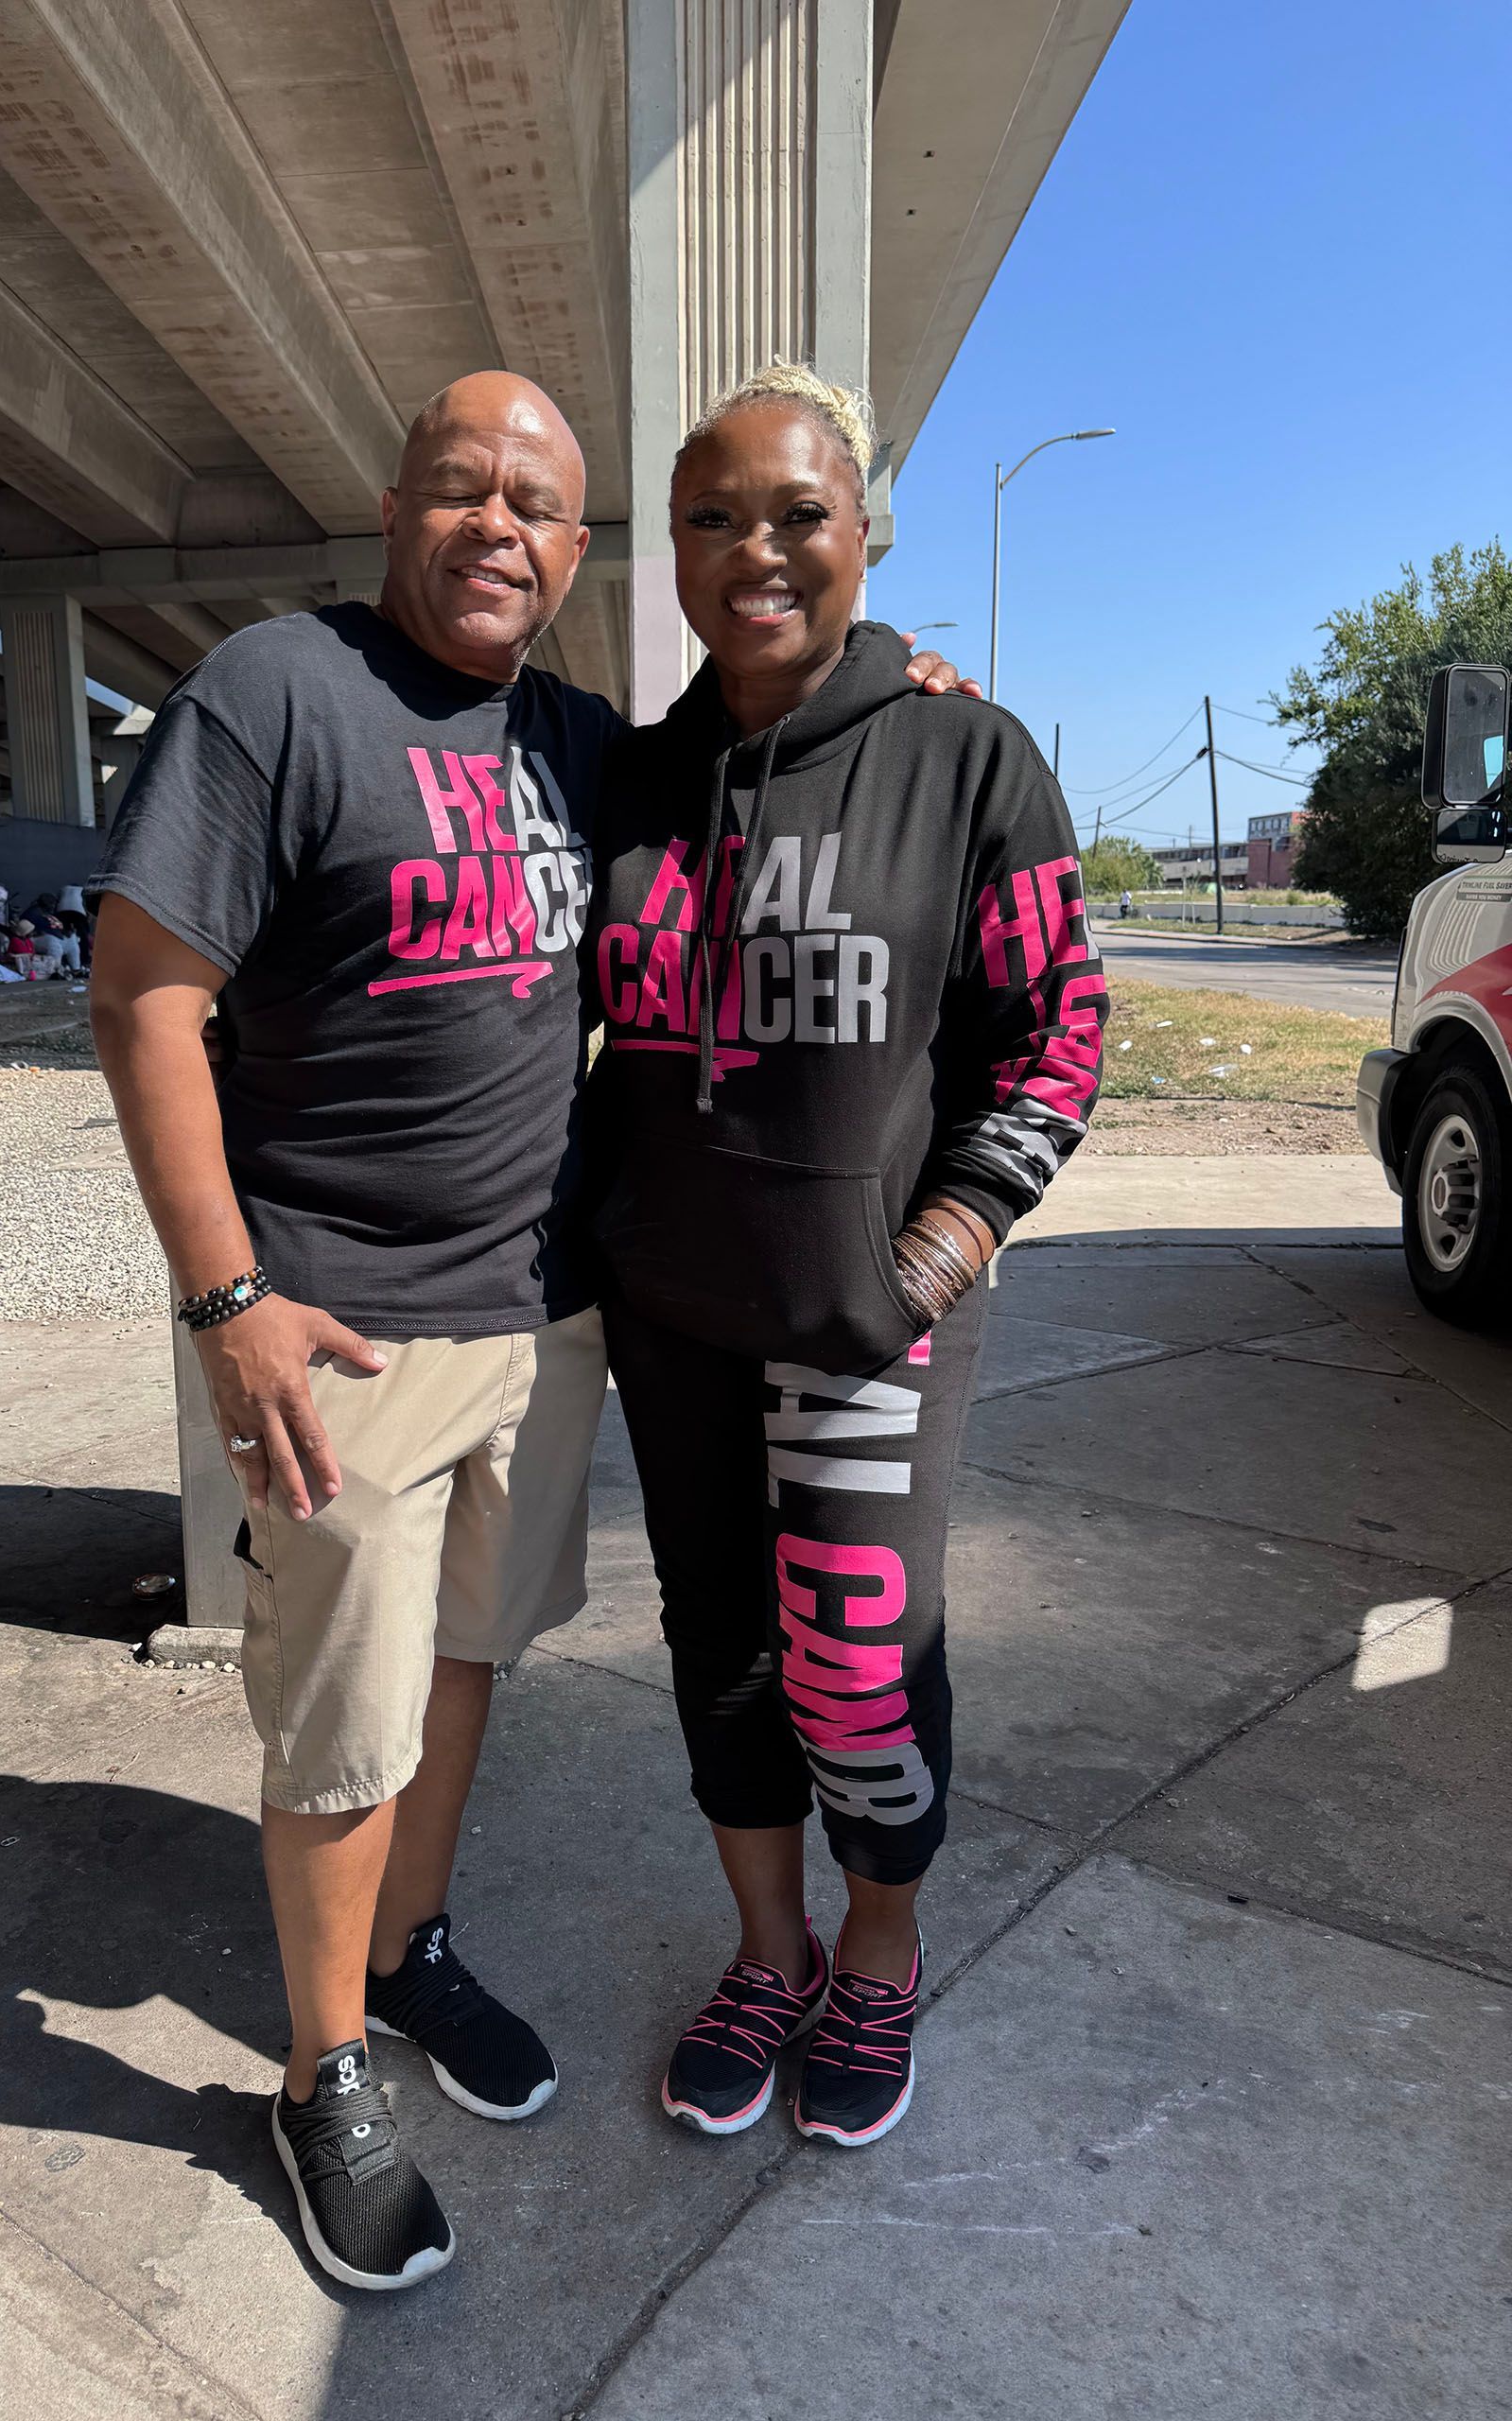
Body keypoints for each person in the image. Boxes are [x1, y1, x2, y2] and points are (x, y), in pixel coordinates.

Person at [89, 366, 978, 2289]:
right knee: (341, 1724)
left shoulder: (585, 741)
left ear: (580, 553)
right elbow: (143, 996)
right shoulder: (274, 693)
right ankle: (323, 2069)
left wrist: (895, 684)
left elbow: (784, 733)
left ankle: (409, 1951)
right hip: (344, 1327)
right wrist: (227, 1300)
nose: (495, 524)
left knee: (465, 1659)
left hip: (551, 1308)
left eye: (535, 503)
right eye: (459, 485)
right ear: (394, 505)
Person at [586, 364, 1105, 2151]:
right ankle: (770, 1949)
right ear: (672, 550)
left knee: (857, 1658)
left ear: (865, 530)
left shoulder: (969, 756)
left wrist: (934, 1256)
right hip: (673, 1312)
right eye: (714, 518)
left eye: (799, 513)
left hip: (871, 1316)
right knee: (722, 1647)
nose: (758, 550)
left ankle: (880, 1954)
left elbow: (1059, 1035)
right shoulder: (630, 777)